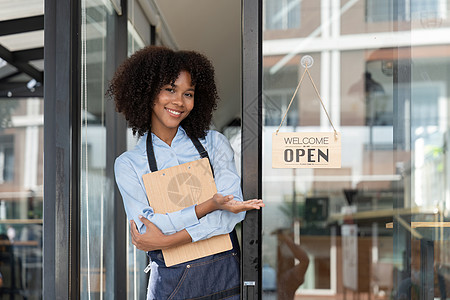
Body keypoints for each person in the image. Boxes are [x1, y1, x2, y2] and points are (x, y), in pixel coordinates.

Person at [109, 46, 264, 299]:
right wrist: (207, 207)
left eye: (188, 93)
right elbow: (147, 230)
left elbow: (231, 213)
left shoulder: (215, 144)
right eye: (170, 89)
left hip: (225, 282)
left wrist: (169, 241)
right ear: (148, 92)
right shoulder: (129, 164)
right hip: (170, 290)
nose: (179, 101)